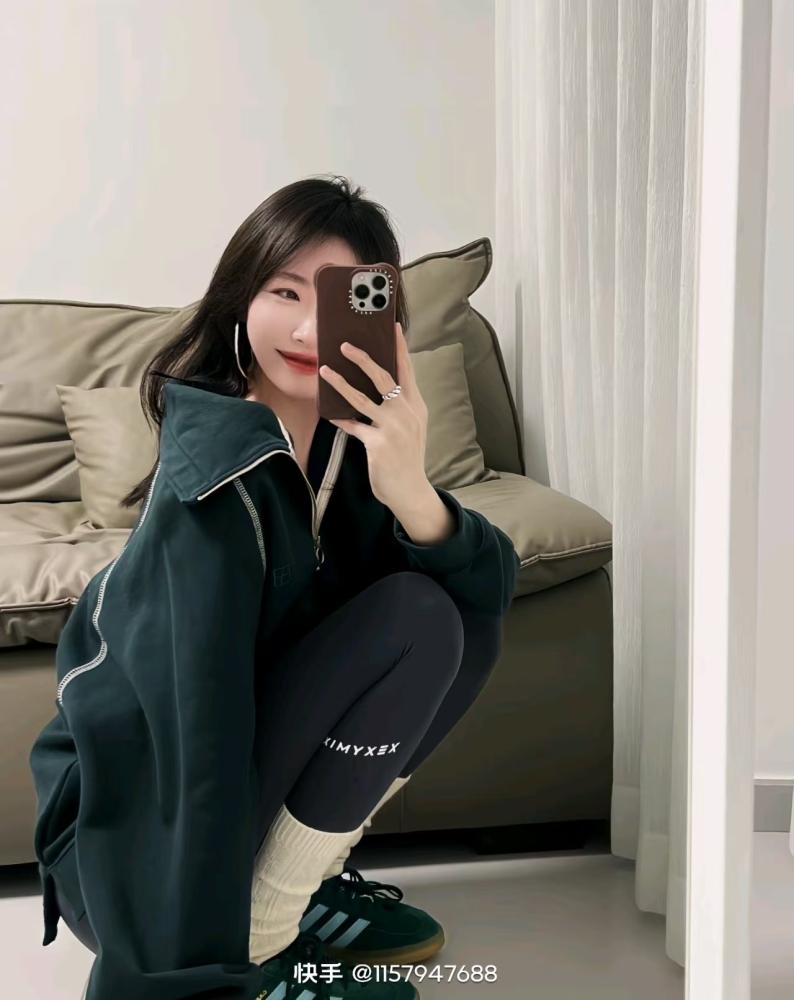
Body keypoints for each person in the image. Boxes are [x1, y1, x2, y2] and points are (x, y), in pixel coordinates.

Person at [28, 174, 520, 1000]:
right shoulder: (214, 482)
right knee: (412, 617)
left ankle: (294, 894)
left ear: (379, 319)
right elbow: (193, 737)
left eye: (336, 300)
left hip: (218, 804)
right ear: (238, 301)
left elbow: (487, 590)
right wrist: (191, 971)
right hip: (134, 842)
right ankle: (259, 942)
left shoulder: (348, 445)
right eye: (283, 291)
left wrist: (409, 487)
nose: (306, 328)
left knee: (455, 614)